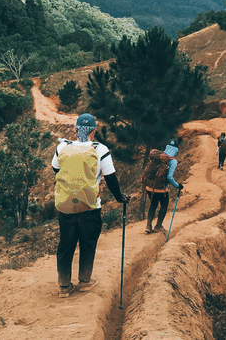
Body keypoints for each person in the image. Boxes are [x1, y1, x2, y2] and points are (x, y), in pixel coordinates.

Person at [52, 113, 128, 298]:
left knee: (66, 244)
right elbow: (110, 178)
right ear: (94, 131)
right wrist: (120, 197)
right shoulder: (100, 149)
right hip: (90, 206)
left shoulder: (63, 147)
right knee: (87, 243)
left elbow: (55, 168)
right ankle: (85, 282)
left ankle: (64, 286)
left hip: (66, 205)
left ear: (76, 130)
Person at [143, 140, 184, 234]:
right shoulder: (172, 161)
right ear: (176, 150)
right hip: (161, 189)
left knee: (153, 204)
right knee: (164, 205)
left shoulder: (158, 157)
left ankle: (148, 226)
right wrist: (177, 186)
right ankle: (158, 226)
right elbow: (169, 177)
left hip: (149, 187)